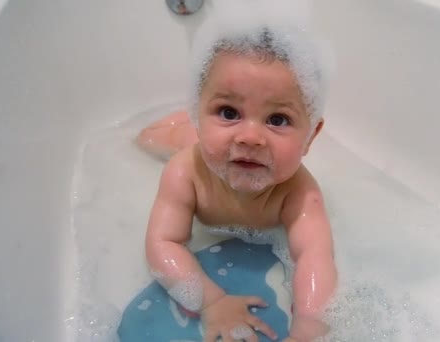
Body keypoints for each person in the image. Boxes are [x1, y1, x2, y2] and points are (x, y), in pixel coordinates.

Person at [139, 13, 336, 342]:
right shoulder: (185, 173)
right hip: (192, 142)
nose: (250, 137)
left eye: (277, 119)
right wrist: (210, 301)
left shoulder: (300, 193)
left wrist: (308, 328)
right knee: (152, 138)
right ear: (197, 113)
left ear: (311, 137)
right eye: (229, 112)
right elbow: (162, 244)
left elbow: (315, 257)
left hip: (213, 145)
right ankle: (174, 126)